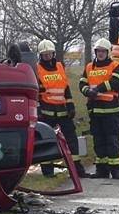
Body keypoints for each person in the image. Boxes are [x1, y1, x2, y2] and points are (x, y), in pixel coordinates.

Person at [35, 39, 88, 178]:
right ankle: (48, 172)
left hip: (63, 112)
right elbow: (36, 93)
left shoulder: (60, 66)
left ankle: (77, 169)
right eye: (44, 54)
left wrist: (70, 105)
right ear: (40, 55)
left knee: (71, 140)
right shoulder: (37, 70)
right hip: (47, 113)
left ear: (53, 54)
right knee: (46, 141)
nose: (47, 56)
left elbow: (65, 88)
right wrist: (39, 109)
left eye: (49, 54)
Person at [79, 38, 119, 179]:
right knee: (98, 142)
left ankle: (116, 170)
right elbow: (82, 84)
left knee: (112, 141)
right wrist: (87, 91)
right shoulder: (89, 67)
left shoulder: (116, 66)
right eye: (98, 51)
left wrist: (98, 88)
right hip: (95, 111)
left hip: (111, 111)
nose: (100, 54)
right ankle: (102, 170)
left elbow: (117, 82)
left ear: (108, 52)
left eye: (103, 51)